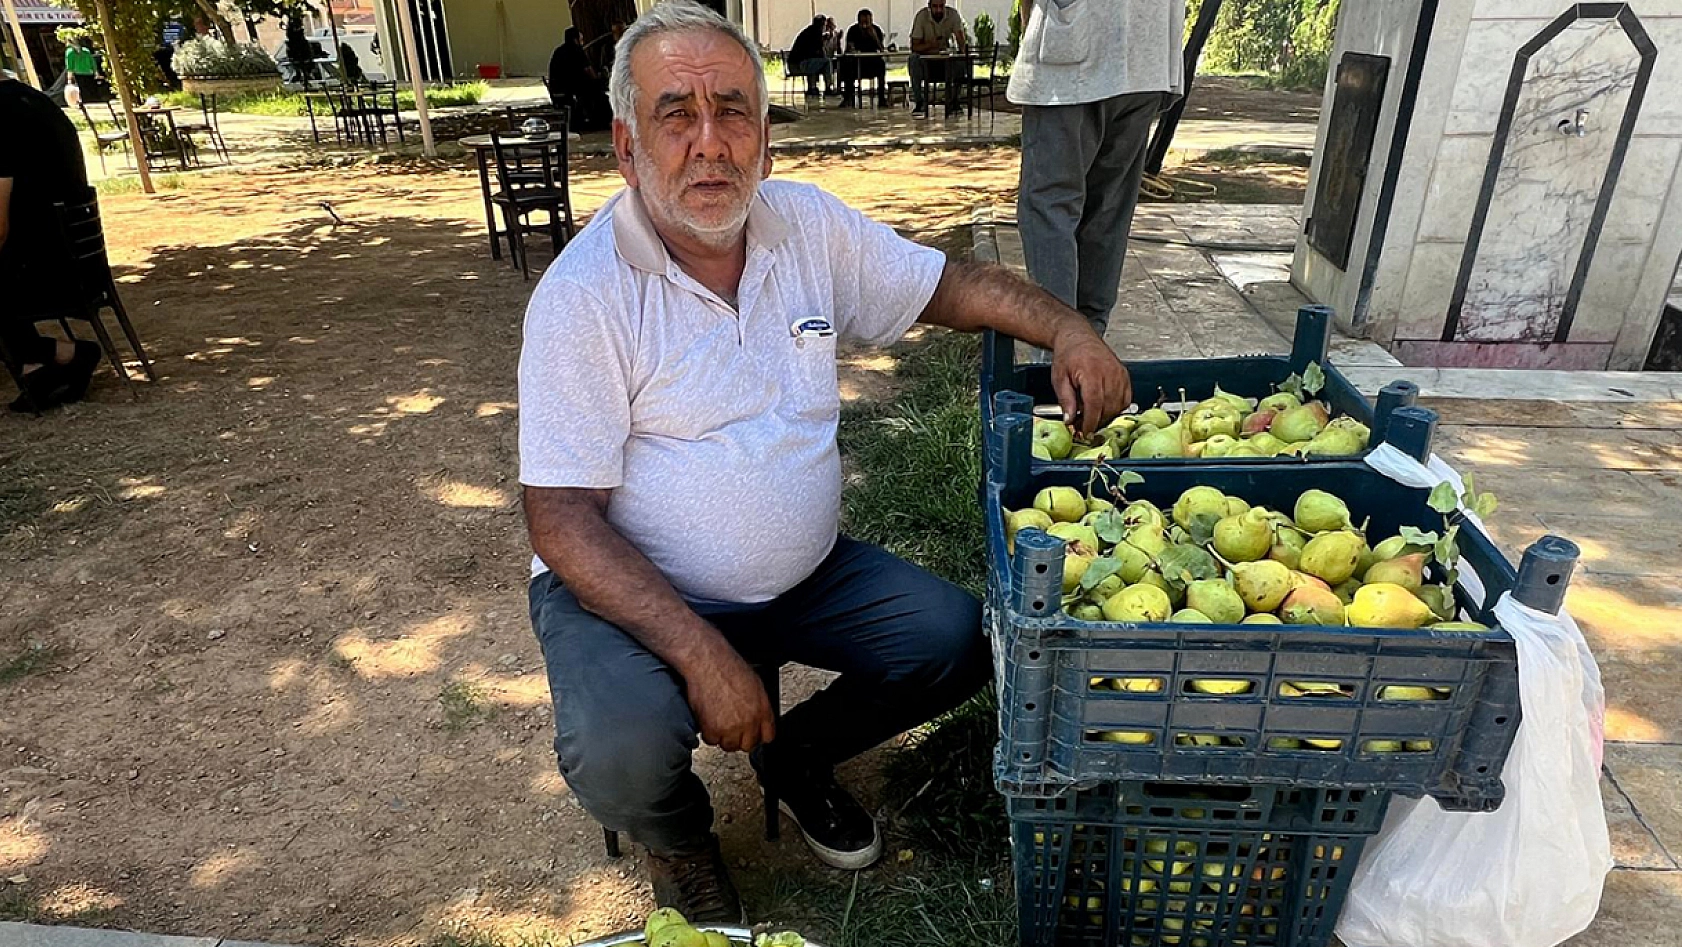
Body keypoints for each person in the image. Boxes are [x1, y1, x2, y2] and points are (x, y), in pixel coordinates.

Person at [520, 0, 1131, 923]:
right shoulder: (584, 296)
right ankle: (679, 838)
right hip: (640, 588)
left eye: (732, 110)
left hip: (804, 576)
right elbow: (561, 518)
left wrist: (1070, 328)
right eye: (675, 114)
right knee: (617, 748)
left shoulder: (805, 227)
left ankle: (796, 754)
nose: (709, 143)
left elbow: (949, 284)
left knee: (959, 639)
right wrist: (698, 649)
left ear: (765, 136)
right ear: (625, 144)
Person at [1009, 0, 1186, 336]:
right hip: (1150, 54)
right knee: (1108, 211)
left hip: (1076, 51)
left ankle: (1061, 351)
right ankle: (1089, 345)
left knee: (1050, 205)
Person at [0, 72, 102, 412]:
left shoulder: (3, 114)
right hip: (79, 258)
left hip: (49, 269)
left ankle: (63, 354)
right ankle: (36, 368)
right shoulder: (32, 100)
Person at [908, 0, 966, 118]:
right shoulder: (921, 17)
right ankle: (920, 102)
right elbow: (914, 46)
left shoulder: (953, 15)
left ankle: (954, 101)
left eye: (941, 6)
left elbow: (961, 39)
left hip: (946, 61)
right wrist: (931, 45)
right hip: (926, 62)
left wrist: (962, 51)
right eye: (935, 6)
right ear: (929, 6)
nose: (939, 10)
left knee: (961, 62)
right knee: (913, 60)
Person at [548, 26, 610, 131]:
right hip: (572, 89)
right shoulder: (577, 51)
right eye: (581, 39)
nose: (582, 41)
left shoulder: (558, 51)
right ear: (575, 39)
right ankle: (600, 121)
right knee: (599, 93)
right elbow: (589, 72)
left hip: (557, 88)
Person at [839, 8, 887, 108]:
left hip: (872, 62)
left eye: (868, 22)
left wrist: (875, 37)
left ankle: (882, 98)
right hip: (856, 63)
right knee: (847, 66)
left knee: (881, 65)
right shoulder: (853, 30)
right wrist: (852, 49)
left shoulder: (876, 30)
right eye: (863, 22)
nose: (865, 24)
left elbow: (882, 49)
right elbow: (849, 48)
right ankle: (848, 97)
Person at [788, 14, 831, 97]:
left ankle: (812, 87)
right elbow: (819, 53)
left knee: (815, 63)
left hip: (794, 64)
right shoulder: (815, 34)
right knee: (827, 62)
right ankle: (828, 87)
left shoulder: (808, 32)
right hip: (799, 65)